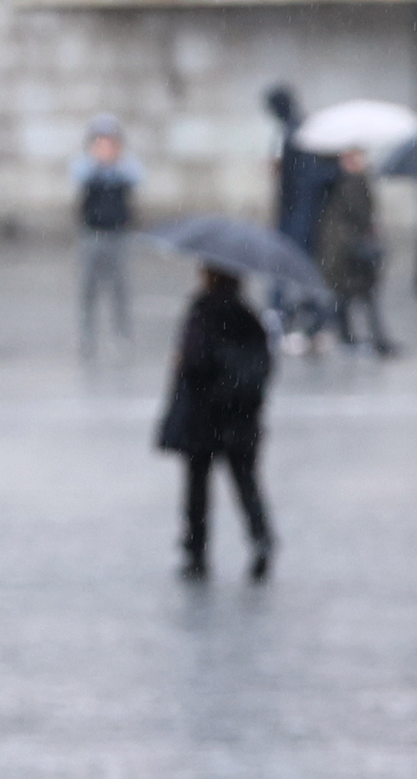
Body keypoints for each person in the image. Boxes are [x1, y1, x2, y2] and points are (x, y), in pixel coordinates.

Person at [158, 262, 275, 578]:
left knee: (198, 487)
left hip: (203, 417)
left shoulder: (203, 314)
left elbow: (195, 361)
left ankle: (196, 551)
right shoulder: (249, 317)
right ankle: (261, 538)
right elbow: (263, 365)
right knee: (246, 483)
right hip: (240, 419)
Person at [265, 85, 338, 352]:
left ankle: (297, 314)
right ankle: (307, 315)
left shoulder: (297, 133)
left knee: (291, 267)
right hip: (300, 212)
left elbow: (299, 180)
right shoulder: (299, 130)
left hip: (300, 213)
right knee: (297, 267)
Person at [72, 118, 140, 354]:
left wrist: (115, 162)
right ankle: (87, 335)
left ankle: (121, 335)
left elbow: (137, 177)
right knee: (88, 287)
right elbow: (78, 174)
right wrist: (97, 163)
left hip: (118, 234)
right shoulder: (87, 167)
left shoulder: (124, 167)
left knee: (119, 288)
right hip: (92, 233)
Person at [314, 152, 393, 355]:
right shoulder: (354, 181)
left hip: (342, 250)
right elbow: (361, 213)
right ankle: (376, 340)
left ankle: (348, 336)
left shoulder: (336, 181)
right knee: (362, 295)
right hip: (350, 250)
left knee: (346, 296)